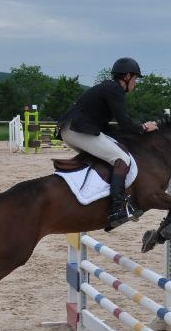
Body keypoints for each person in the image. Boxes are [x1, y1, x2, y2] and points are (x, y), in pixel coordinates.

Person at [57, 57, 158, 230]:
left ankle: (99, 200)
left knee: (108, 156)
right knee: (121, 159)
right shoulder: (115, 90)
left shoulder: (108, 88)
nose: (136, 83)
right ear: (127, 76)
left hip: (72, 129)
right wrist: (143, 127)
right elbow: (125, 122)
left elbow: (112, 126)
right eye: (135, 79)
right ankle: (117, 209)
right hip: (77, 130)